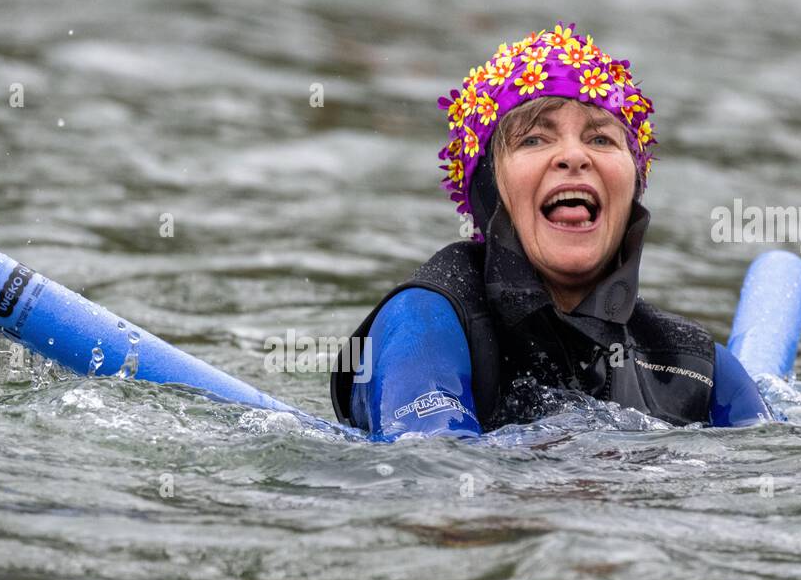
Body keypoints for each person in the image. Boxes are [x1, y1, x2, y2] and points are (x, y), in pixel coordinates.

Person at [330, 22, 771, 440]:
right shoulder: (425, 322)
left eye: (601, 139)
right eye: (534, 139)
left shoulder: (694, 364)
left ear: (634, 187)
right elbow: (435, 473)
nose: (574, 157)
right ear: (488, 189)